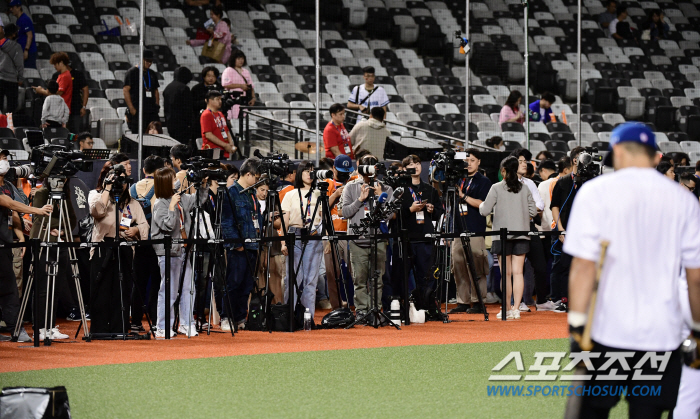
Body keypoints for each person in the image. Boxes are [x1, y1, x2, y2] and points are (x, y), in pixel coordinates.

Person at [565, 123, 700, 419]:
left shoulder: (595, 191)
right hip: (662, 336)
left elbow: (583, 266)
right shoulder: (684, 200)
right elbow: (695, 279)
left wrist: (576, 326)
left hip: (606, 331)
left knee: (592, 413)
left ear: (617, 151)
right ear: (654, 156)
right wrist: (698, 331)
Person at [88, 162, 148, 334]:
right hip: (102, 246)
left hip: (124, 248)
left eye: (122, 181)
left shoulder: (132, 203)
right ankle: (99, 330)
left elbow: (145, 226)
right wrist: (107, 188)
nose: (119, 185)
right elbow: (97, 212)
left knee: (122, 289)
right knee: (101, 289)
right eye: (116, 180)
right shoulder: (97, 195)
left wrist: (136, 229)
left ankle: (119, 327)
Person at [479, 156, 537, 320]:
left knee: (507, 274)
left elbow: (484, 211)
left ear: (503, 171)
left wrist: (485, 205)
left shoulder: (496, 188)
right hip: (521, 234)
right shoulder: (524, 188)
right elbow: (533, 212)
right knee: (518, 273)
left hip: (502, 236)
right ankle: (516, 309)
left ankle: (506, 308)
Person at [0, 153, 50, 342]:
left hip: (5, 244)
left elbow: (11, 212)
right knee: (9, 288)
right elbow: (9, 203)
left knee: (9, 289)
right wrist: (38, 210)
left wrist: (20, 237)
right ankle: (16, 329)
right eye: (0, 158)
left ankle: (15, 329)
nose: (3, 161)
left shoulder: (7, 185)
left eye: (4, 157)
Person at [151, 167, 206, 338]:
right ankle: (162, 326)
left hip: (184, 250)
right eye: (173, 178)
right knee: (169, 290)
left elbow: (199, 200)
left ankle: (186, 323)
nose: (176, 179)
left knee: (189, 289)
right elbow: (167, 225)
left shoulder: (182, 198)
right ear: (165, 182)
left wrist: (202, 184)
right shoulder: (160, 204)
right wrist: (172, 206)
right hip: (168, 253)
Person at [339, 154, 393, 320]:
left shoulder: (386, 189)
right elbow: (344, 212)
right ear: (358, 167)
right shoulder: (351, 187)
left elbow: (390, 215)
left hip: (379, 239)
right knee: (359, 280)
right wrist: (360, 199)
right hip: (357, 240)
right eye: (365, 164)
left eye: (372, 164)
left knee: (377, 279)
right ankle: (362, 311)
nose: (369, 168)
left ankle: (375, 310)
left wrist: (380, 197)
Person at [448, 149, 492, 314]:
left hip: (474, 228)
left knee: (476, 266)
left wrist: (463, 196)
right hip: (457, 228)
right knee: (458, 265)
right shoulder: (458, 179)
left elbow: (483, 204)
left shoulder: (484, 181)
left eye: (472, 160)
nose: (469, 163)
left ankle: (479, 301)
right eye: (466, 160)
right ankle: (463, 301)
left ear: (479, 162)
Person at [280, 161, 324, 323]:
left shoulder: (319, 193)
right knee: (293, 279)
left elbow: (323, 218)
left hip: (313, 237)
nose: (309, 174)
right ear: (299, 173)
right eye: (306, 170)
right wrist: (283, 242)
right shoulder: (291, 194)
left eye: (312, 171)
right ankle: (288, 318)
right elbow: (285, 221)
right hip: (295, 235)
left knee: (310, 280)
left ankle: (308, 319)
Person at [220, 158, 261, 331]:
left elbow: (257, 218)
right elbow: (226, 221)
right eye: (257, 177)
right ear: (249, 174)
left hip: (253, 245)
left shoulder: (251, 194)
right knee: (233, 283)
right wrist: (236, 244)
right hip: (238, 247)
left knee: (246, 285)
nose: (258, 181)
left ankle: (240, 317)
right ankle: (226, 317)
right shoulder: (230, 192)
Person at [398, 154, 443, 297]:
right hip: (407, 238)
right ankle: (405, 307)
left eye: (417, 163)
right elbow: (395, 214)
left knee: (427, 275)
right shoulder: (401, 190)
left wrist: (432, 210)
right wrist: (410, 209)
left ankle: (426, 304)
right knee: (404, 276)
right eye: (411, 164)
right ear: (405, 169)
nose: (415, 166)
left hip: (425, 238)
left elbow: (439, 212)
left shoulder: (430, 190)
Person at [129, 155, 164, 331]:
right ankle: (157, 321)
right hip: (156, 241)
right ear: (160, 171)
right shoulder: (162, 187)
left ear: (144, 170)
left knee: (138, 283)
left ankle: (135, 321)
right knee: (157, 283)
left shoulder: (132, 188)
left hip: (137, 241)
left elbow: (127, 216)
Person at [549, 146, 585, 313]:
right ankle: (563, 300)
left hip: (587, 234)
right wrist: (561, 229)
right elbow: (554, 206)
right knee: (564, 266)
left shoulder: (592, 182)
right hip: (567, 232)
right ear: (574, 160)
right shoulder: (562, 182)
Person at [323, 155, 355, 309]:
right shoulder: (327, 183)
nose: (344, 175)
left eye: (346, 172)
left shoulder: (353, 181)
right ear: (334, 168)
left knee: (356, 272)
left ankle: (359, 306)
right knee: (332, 274)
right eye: (341, 172)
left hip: (350, 232)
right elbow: (321, 209)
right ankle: (336, 308)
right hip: (332, 233)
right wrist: (335, 194)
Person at [123, 49, 160, 135]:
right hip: (138, 110)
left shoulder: (152, 73)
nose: (149, 63)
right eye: (147, 61)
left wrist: (157, 106)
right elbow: (125, 90)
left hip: (151, 111)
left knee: (154, 135)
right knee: (138, 135)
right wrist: (132, 108)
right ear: (141, 59)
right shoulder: (132, 72)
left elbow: (155, 91)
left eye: (151, 61)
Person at [51, 61, 88, 134]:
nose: (54, 67)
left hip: (75, 109)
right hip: (60, 110)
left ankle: (74, 145)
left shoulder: (78, 74)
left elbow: (85, 90)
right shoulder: (56, 76)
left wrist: (84, 106)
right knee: (60, 132)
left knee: (74, 133)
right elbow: (52, 92)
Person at [221, 49, 255, 124]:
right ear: (233, 59)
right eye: (238, 58)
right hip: (232, 101)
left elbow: (251, 86)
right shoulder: (228, 70)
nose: (241, 61)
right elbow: (225, 84)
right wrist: (241, 86)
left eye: (242, 58)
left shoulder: (246, 71)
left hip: (244, 101)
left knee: (244, 122)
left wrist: (253, 98)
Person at [200, 90, 237, 158]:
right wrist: (225, 145)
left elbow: (226, 131)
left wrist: (231, 144)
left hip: (223, 151)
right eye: (217, 99)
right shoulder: (206, 114)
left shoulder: (220, 114)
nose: (220, 101)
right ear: (210, 101)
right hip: (212, 152)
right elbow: (208, 135)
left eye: (220, 99)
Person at [163, 66, 193, 145]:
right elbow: (188, 108)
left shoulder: (168, 87)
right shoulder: (184, 88)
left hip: (170, 123)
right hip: (182, 124)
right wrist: (190, 123)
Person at [191, 66, 223, 137]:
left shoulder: (220, 88)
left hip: (217, 120)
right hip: (199, 121)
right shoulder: (196, 89)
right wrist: (206, 102)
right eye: (208, 76)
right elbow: (192, 104)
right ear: (204, 76)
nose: (211, 78)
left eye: (213, 76)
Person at [0, 24, 23, 114]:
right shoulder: (17, 47)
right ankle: (10, 126)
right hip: (12, 80)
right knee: (12, 108)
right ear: (13, 34)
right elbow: (19, 64)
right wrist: (20, 78)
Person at [8, 0, 36, 69]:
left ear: (18, 7)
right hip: (22, 52)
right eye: (10, 7)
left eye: (13, 7)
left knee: (29, 72)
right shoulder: (19, 20)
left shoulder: (25, 19)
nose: (11, 9)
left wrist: (26, 50)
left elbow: (30, 35)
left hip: (29, 52)